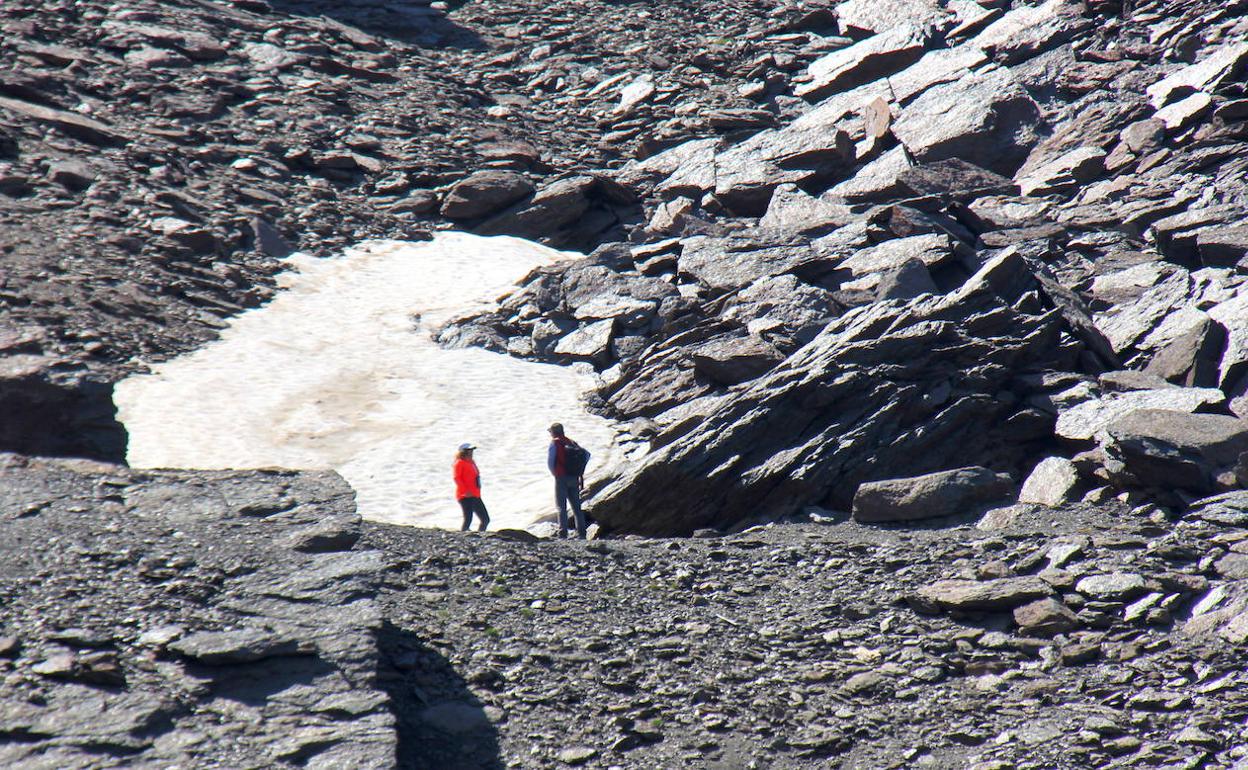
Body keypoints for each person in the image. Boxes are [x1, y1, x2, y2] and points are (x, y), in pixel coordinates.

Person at [547, 423, 589, 539]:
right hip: (574, 477)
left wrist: (555, 473)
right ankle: (581, 533)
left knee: (561, 507)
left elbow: (550, 462)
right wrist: (580, 470)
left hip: (561, 478)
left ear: (554, 432)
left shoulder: (555, 443)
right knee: (576, 507)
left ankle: (563, 533)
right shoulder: (572, 442)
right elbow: (586, 455)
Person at [453, 442, 489, 532]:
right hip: (465, 496)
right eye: (469, 450)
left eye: (472, 450)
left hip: (475, 494)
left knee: (485, 519)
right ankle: (464, 537)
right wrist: (465, 491)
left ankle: (480, 536)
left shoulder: (471, 463)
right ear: (463, 452)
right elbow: (457, 478)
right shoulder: (459, 463)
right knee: (468, 518)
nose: (471, 452)